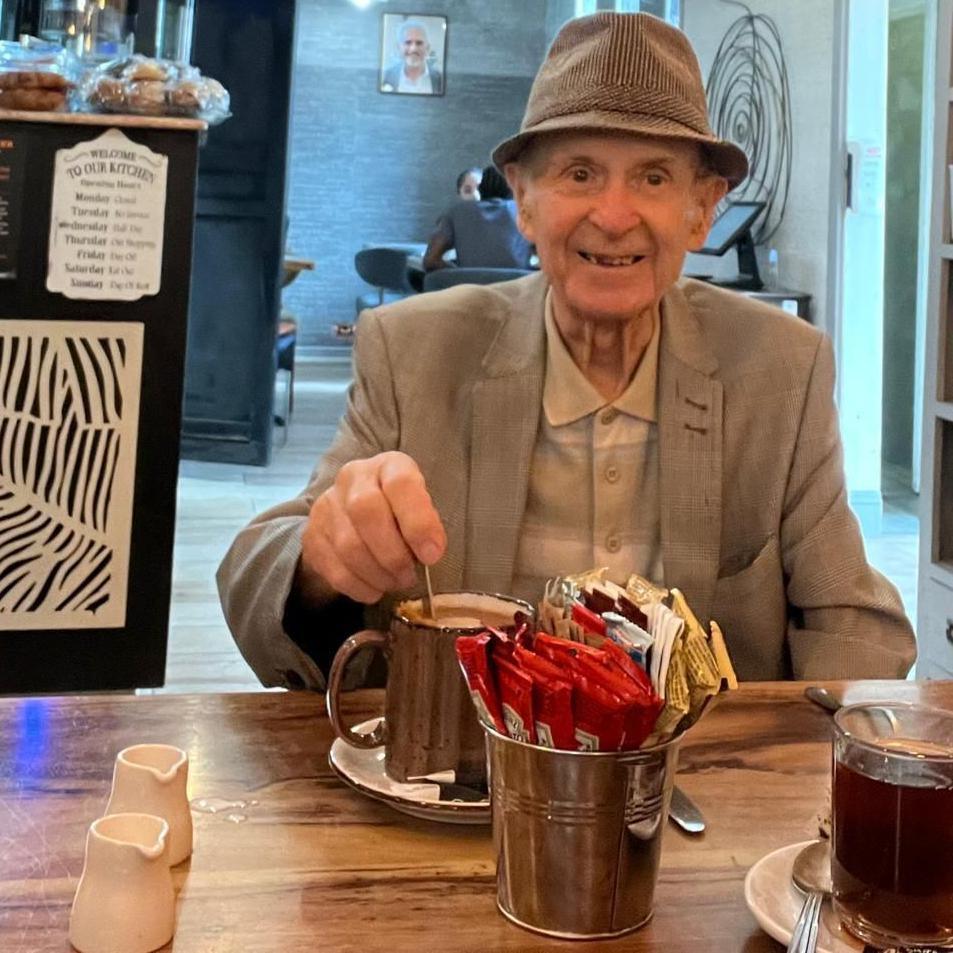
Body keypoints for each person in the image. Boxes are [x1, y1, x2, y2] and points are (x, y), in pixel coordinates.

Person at [218, 12, 916, 690]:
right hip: (468, 761)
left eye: (653, 177)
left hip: (702, 767)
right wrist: (321, 564)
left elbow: (854, 622)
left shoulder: (780, 367)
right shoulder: (414, 351)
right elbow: (255, 578)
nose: (612, 216)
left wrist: (806, 752)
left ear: (702, 210)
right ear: (523, 200)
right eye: (579, 174)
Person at [423, 165, 534, 271]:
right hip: (518, 283)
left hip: (466, 283)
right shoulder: (526, 214)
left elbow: (430, 261)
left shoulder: (455, 212)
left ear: (480, 189)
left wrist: (458, 272)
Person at [380, 19, 444, 95]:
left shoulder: (440, 79)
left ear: (428, 48)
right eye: (408, 42)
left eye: (419, 43)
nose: (413, 49)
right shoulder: (384, 77)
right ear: (398, 47)